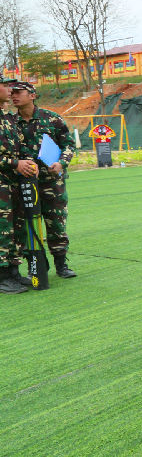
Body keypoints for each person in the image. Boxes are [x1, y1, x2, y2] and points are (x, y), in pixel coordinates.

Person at [10, 81, 77, 280]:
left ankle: (61, 264)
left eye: (19, 92)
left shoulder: (51, 119)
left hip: (51, 181)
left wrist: (61, 163)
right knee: (25, 225)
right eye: (12, 93)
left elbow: (68, 145)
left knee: (56, 222)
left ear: (32, 95)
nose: (14, 96)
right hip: (23, 182)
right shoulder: (10, 122)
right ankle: (35, 265)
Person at [0, 76, 29, 294]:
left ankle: (12, 272)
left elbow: (18, 147)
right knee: (2, 230)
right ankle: (2, 277)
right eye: (5, 86)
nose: (10, 90)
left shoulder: (8, 118)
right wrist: (15, 163)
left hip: (12, 184)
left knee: (14, 229)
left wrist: (27, 162)